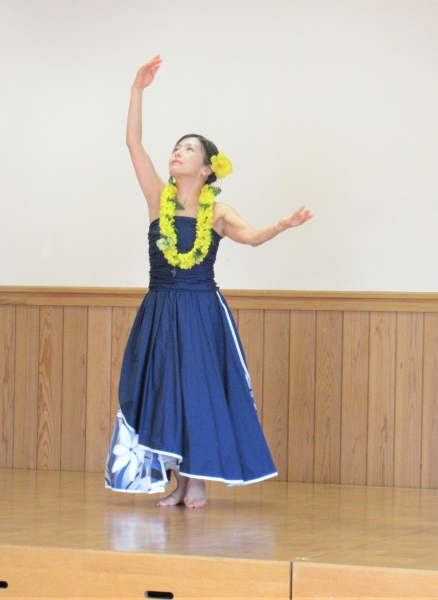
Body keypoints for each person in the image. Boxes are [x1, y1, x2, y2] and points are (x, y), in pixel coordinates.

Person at [105, 56, 312, 508]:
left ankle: (196, 479)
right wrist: (137, 89)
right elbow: (133, 143)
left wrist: (280, 225)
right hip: (160, 308)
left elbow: (251, 237)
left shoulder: (218, 212)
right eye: (177, 147)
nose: (178, 152)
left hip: (200, 308)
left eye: (189, 149)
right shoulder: (157, 198)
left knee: (197, 391)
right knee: (163, 389)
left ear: (205, 169)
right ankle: (178, 481)